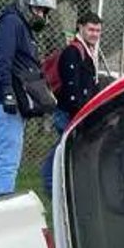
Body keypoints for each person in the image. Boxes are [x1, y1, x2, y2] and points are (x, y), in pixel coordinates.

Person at [0, 0, 57, 194]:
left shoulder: (22, 26)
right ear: (25, 4)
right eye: (37, 9)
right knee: (6, 162)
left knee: (6, 160)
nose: (41, 16)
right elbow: (2, 59)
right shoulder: (11, 22)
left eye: (44, 12)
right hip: (6, 101)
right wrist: (7, 91)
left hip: (13, 102)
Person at [42, 11, 103, 196]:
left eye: (98, 31)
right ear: (81, 27)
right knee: (62, 153)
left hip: (75, 113)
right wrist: (79, 115)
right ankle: (51, 185)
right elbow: (71, 90)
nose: (95, 34)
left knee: (69, 152)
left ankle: (62, 189)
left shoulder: (86, 51)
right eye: (91, 29)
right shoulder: (73, 52)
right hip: (69, 113)